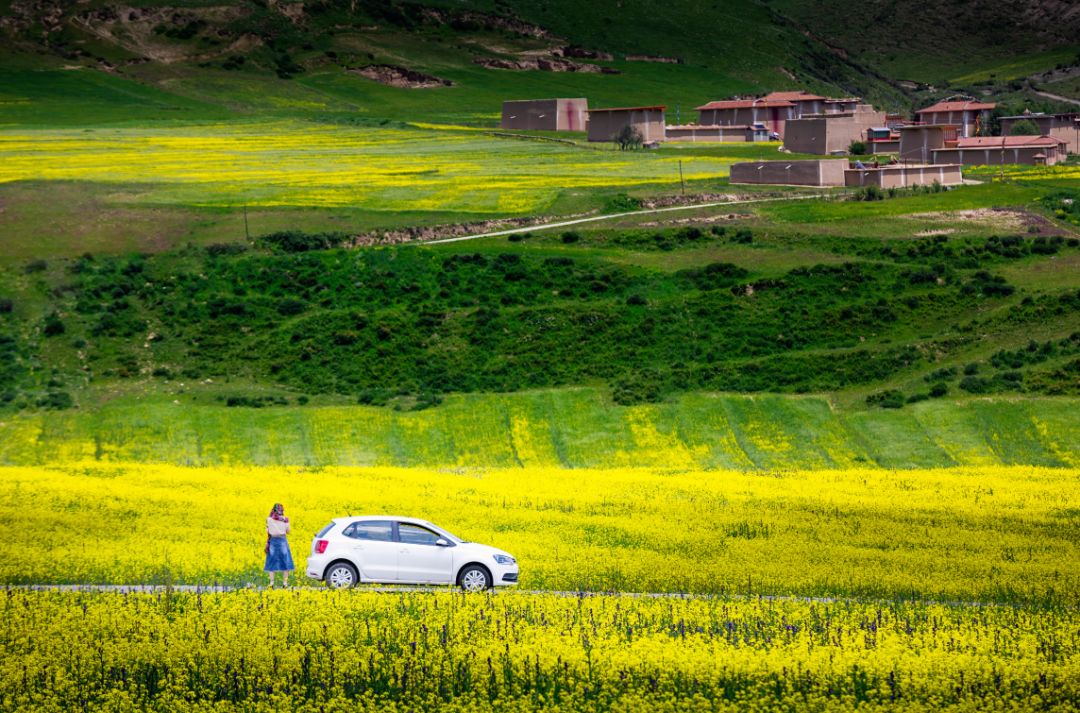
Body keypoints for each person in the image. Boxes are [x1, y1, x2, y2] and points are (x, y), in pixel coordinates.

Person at [264, 503, 294, 587]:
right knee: (285, 561)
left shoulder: (269, 519)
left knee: (271, 562)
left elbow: (267, 531)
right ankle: (285, 583)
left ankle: (271, 583)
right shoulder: (285, 519)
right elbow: (288, 531)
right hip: (282, 541)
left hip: (273, 541)